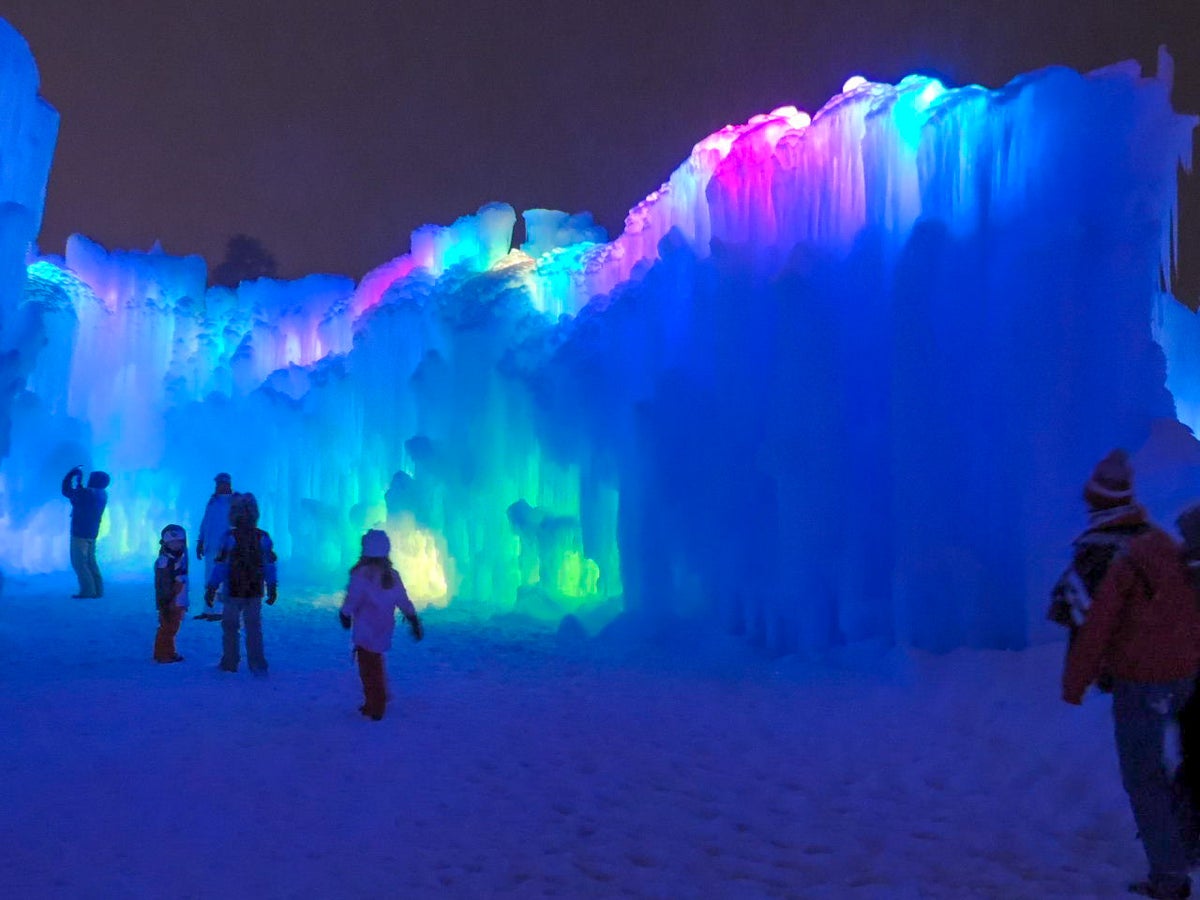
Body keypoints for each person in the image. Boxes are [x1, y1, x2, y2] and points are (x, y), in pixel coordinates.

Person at [1062, 451, 1200, 900]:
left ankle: (1169, 877)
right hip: (1186, 673)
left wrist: (1075, 682)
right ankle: (1186, 845)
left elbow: (1096, 624)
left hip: (1143, 680)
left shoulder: (1110, 554)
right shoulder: (1158, 541)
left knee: (1144, 778)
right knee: (1183, 766)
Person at [339, 529, 422, 721]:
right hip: (384, 628)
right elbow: (403, 600)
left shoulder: (362, 575)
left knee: (368, 669)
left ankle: (375, 705)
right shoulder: (392, 575)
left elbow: (353, 598)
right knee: (376, 663)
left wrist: (344, 613)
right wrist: (413, 619)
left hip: (365, 630)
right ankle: (378, 698)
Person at [203, 492, 277, 676]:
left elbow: (220, 565)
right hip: (254, 590)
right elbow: (269, 565)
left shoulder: (229, 537)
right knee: (253, 628)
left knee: (230, 628)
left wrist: (212, 587)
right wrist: (272, 586)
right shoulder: (263, 537)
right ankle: (257, 664)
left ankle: (230, 662)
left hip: (233, 591)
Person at [60, 466, 110, 599]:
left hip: (80, 532)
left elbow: (67, 492)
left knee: (79, 562)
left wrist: (70, 474)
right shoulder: (102, 494)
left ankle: (88, 591)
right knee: (90, 561)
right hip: (92, 532)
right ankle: (97, 590)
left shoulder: (88, 493)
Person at [195, 472, 234, 621]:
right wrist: (200, 541)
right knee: (209, 578)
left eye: (221, 483)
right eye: (217, 483)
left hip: (226, 548)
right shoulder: (212, 502)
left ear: (228, 484)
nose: (218, 486)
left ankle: (220, 610)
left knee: (222, 579)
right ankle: (209, 610)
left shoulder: (233, 502)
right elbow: (206, 523)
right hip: (211, 546)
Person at [153, 524, 189, 663]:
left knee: (172, 627)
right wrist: (165, 603)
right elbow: (163, 585)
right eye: (173, 542)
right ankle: (162, 654)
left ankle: (168, 651)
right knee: (167, 627)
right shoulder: (165, 561)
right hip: (169, 601)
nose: (177, 545)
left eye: (180, 542)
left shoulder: (180, 557)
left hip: (178, 599)